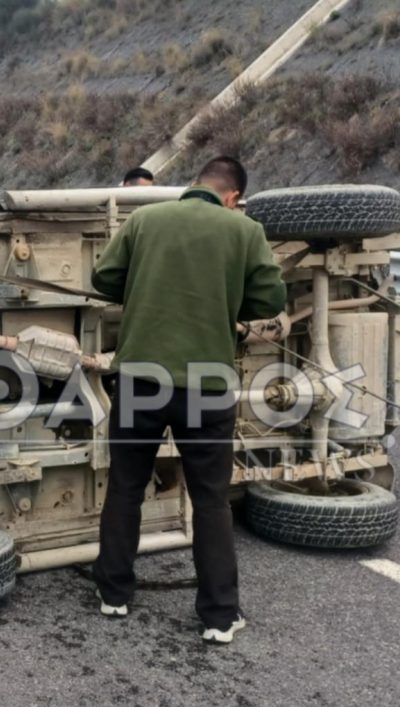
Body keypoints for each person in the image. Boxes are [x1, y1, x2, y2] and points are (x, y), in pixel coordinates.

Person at [91, 157, 286, 644]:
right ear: (233, 197)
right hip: (205, 379)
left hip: (141, 376)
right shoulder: (243, 231)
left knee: (126, 486)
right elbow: (269, 300)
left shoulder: (144, 220)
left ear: (195, 184)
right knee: (210, 499)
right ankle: (220, 616)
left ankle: (113, 594)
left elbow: (104, 279)